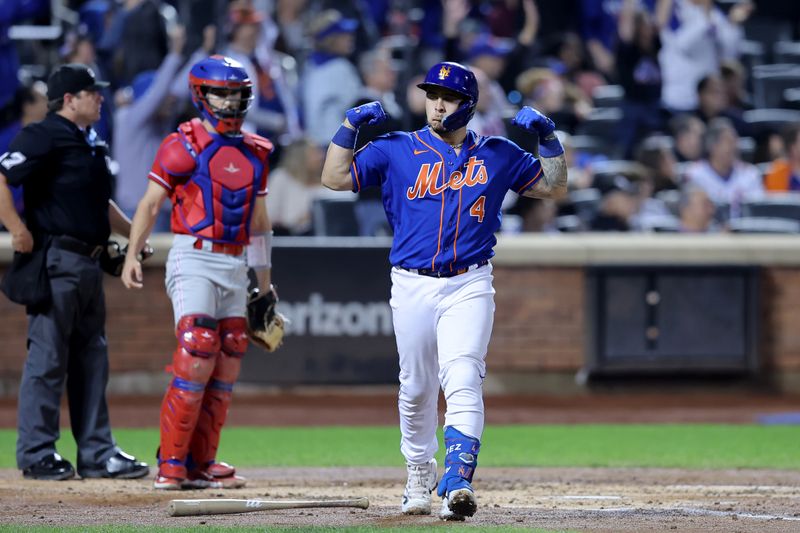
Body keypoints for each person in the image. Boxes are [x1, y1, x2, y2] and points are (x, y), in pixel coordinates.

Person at [320, 61, 567, 520]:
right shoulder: (396, 148)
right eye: (432, 94)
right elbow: (334, 178)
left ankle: (456, 482)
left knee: (463, 376)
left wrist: (549, 139)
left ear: (468, 104)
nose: (437, 103)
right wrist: (348, 126)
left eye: (448, 96)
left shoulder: (498, 152)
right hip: (411, 283)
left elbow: (553, 187)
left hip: (469, 281)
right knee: (416, 388)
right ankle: (419, 471)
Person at [120, 55, 276, 490]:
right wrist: (133, 255)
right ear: (200, 94)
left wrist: (264, 287)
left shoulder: (257, 150)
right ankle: (171, 464)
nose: (229, 101)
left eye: (236, 93)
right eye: (221, 92)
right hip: (194, 255)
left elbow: (260, 225)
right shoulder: (182, 144)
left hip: (235, 259)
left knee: (227, 358)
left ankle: (202, 463)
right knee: (197, 349)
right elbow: (150, 204)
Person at [0, 63, 149, 481]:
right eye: (92, 92)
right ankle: (36, 452)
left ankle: (98, 453)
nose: (99, 98)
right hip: (56, 259)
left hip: (88, 261)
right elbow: (1, 176)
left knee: (92, 360)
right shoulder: (43, 133)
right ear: (70, 99)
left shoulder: (89, 141)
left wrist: (135, 236)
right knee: (47, 360)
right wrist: (16, 228)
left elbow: (100, 205)